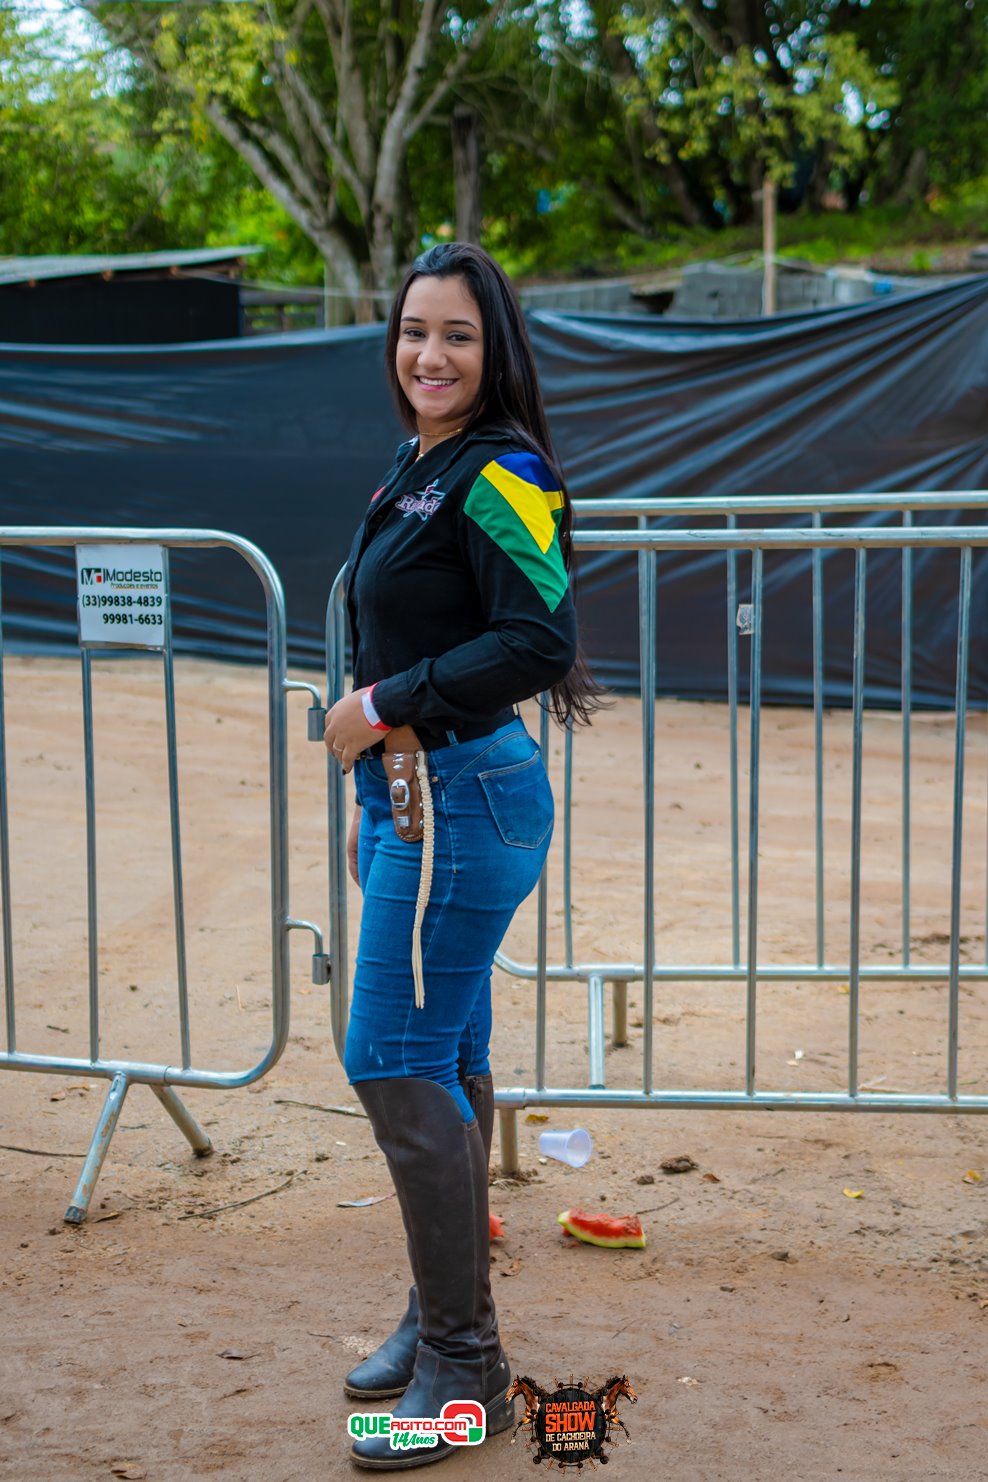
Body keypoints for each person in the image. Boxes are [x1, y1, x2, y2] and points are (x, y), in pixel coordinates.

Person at [323, 242, 602, 1470]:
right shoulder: (420, 462)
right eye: (412, 331)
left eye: (456, 336)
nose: (427, 355)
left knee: (389, 1055)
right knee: (443, 1055)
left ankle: (462, 1368)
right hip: (416, 804)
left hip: (464, 801)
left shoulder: (503, 472)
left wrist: (385, 705)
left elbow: (537, 641)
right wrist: (374, 787)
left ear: (495, 353)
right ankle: (447, 1323)